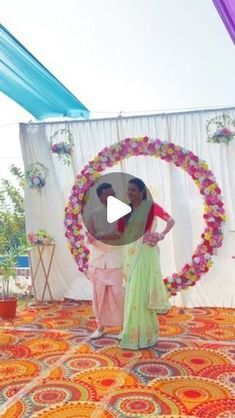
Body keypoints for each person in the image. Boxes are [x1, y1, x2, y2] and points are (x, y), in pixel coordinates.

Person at [117, 178, 175, 350]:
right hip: (129, 254)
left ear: (142, 192)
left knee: (139, 292)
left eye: (133, 190)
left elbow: (171, 220)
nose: (130, 192)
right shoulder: (126, 210)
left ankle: (143, 334)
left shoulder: (151, 207)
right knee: (132, 291)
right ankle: (137, 331)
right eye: (128, 189)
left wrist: (160, 235)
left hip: (144, 253)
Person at [86, 183, 124, 339]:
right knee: (98, 295)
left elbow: (121, 234)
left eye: (113, 193)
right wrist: (92, 237)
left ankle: (123, 326)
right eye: (108, 194)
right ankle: (100, 326)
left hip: (116, 259)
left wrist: (102, 237)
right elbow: (89, 235)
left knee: (118, 294)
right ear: (101, 197)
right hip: (98, 260)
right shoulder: (93, 214)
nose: (112, 197)